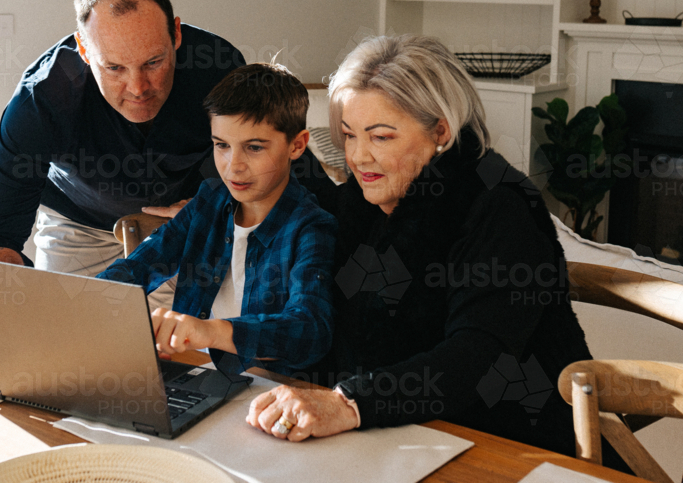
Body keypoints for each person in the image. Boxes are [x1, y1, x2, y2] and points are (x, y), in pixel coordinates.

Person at [244, 34, 597, 459]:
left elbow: (474, 359)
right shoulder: (362, 201)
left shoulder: (501, 204)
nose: (357, 157)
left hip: (509, 448)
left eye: (381, 137)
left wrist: (348, 403)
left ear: (441, 132)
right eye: (349, 135)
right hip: (391, 441)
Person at [0, 0, 245, 279]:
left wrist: (219, 205)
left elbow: (274, 174)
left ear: (175, 34)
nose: (138, 88)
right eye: (114, 67)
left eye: (153, 62)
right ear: (83, 48)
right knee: (66, 324)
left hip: (183, 220)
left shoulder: (221, 69)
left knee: (188, 324)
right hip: (77, 224)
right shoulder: (42, 98)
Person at [97, 63, 337, 377]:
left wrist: (211, 331)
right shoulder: (209, 200)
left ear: (296, 145)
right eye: (221, 145)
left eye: (253, 147)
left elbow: (309, 331)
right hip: (194, 374)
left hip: (269, 392)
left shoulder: (310, 227)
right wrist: (86, 299)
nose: (233, 167)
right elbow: (140, 266)